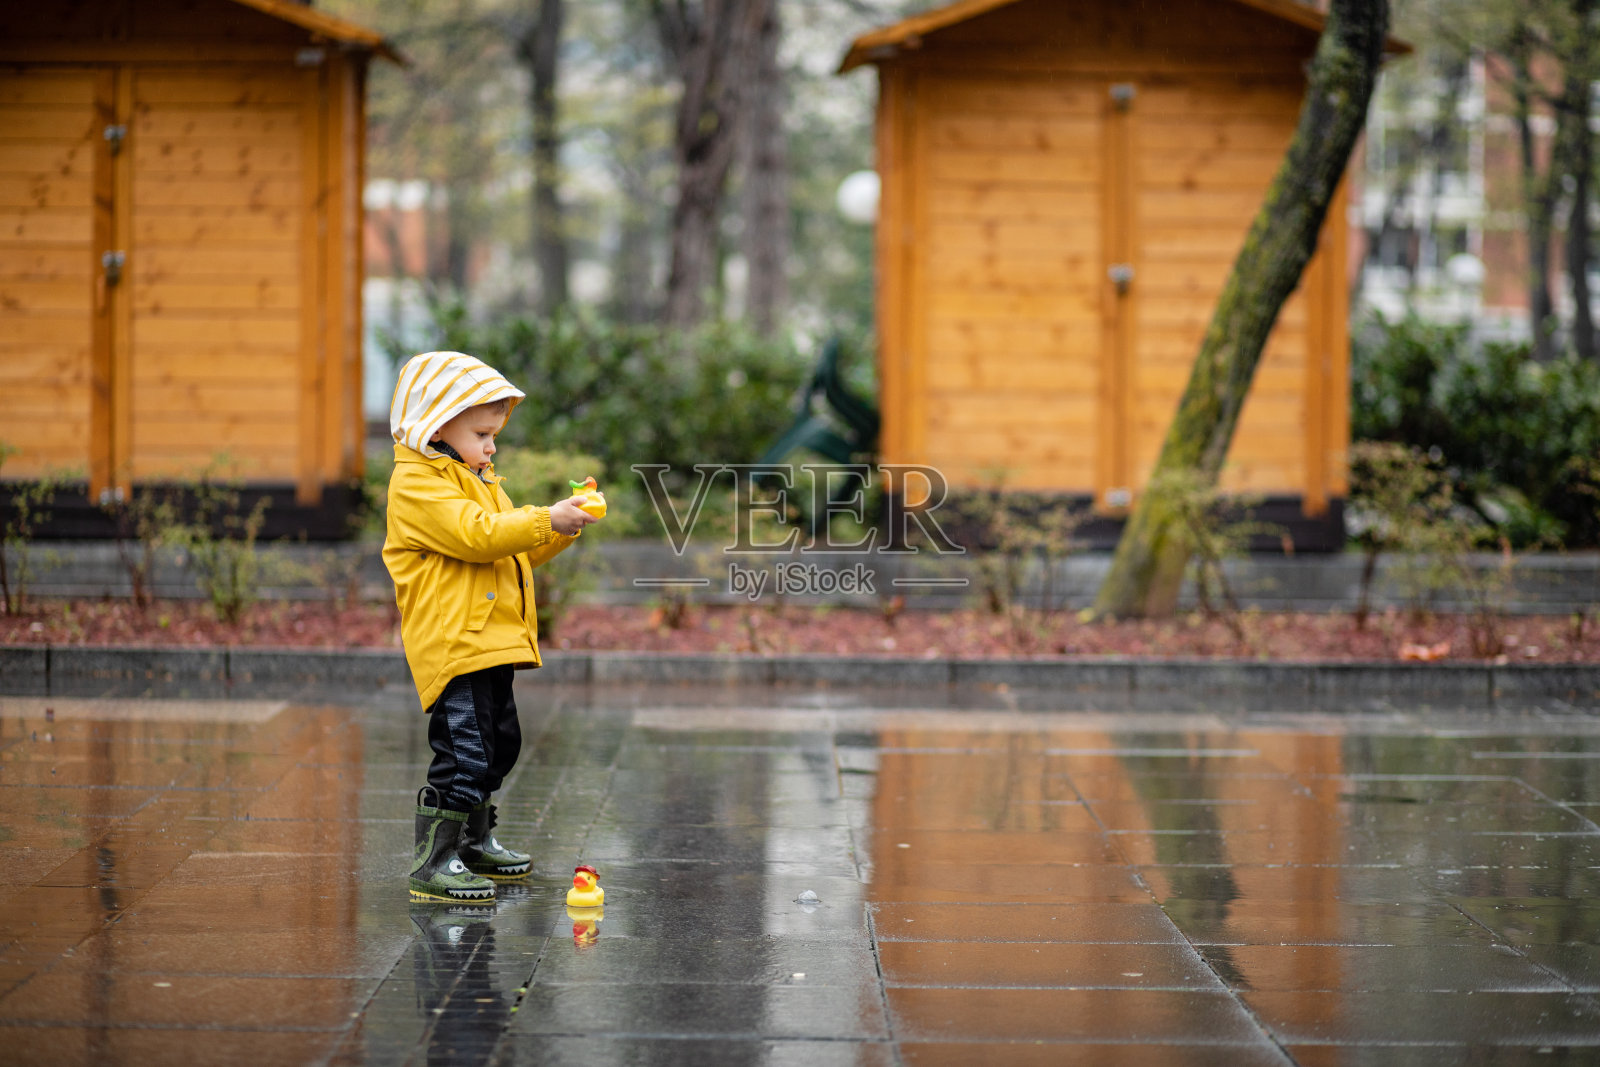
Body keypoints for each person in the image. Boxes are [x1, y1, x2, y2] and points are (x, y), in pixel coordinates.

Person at [384, 350, 598, 904]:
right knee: (464, 751)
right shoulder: (417, 485)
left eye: (494, 434)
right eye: (482, 432)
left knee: (499, 743)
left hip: (490, 641)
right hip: (456, 643)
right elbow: (477, 535)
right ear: (437, 421)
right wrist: (542, 517)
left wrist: (562, 526)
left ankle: (473, 843)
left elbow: (509, 551)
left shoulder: (476, 478)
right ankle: (434, 861)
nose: (492, 446)